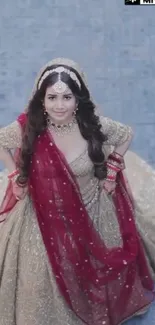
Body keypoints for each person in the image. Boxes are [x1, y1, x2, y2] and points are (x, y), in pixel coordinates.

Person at [0, 57, 154, 325]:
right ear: (42, 100)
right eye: (52, 98)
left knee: (94, 275)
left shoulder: (92, 126)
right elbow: (1, 140)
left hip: (91, 212)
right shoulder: (31, 129)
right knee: (36, 283)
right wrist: (15, 174)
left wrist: (114, 168)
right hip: (41, 219)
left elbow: (126, 134)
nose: (59, 105)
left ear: (78, 99)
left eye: (67, 97)